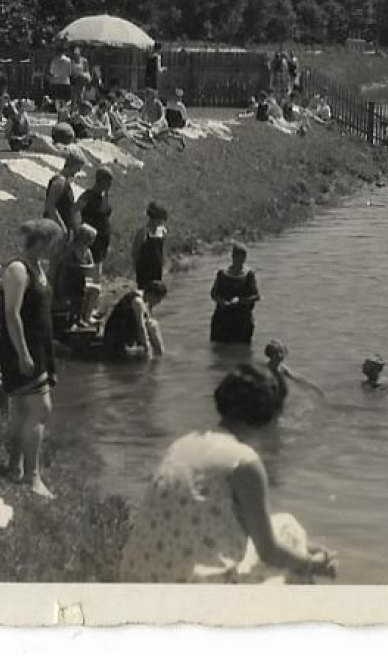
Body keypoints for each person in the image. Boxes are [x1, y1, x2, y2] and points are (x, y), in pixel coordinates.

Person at [118, 364, 338, 584]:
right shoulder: (244, 462)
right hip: (195, 586)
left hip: (137, 574)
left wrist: (303, 549)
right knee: (290, 530)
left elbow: (210, 517)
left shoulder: (182, 444)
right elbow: (268, 551)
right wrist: (313, 564)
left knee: (287, 534)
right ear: (272, 415)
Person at [0, 218, 66, 498]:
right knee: (41, 408)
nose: (56, 250)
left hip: (39, 347)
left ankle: (14, 467)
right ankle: (32, 476)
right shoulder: (18, 269)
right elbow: (12, 315)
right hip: (22, 348)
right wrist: (23, 353)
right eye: (54, 244)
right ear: (42, 241)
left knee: (22, 410)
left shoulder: (39, 268)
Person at [100, 283, 167, 359]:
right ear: (152, 294)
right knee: (152, 326)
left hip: (125, 331)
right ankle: (158, 356)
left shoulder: (142, 298)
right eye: (158, 299)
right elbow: (141, 326)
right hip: (116, 337)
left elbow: (147, 319)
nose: (159, 302)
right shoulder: (137, 302)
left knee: (153, 324)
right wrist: (147, 347)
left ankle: (159, 354)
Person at [210, 243, 261, 345]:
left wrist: (240, 300)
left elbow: (256, 296)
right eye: (238, 257)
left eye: (243, 258)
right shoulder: (222, 274)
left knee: (242, 351)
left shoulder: (249, 275)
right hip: (222, 319)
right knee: (219, 350)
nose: (241, 261)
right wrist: (222, 301)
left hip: (242, 320)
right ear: (232, 256)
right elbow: (213, 294)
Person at [53, 223, 99, 330]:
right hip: (69, 280)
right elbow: (64, 265)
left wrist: (85, 267)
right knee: (77, 294)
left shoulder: (87, 251)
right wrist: (79, 266)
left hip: (81, 279)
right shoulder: (71, 250)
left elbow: (91, 265)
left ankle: (84, 317)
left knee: (92, 290)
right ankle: (74, 320)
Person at [43, 140, 86, 236]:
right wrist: (62, 226)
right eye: (77, 168)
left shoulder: (64, 181)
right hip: (54, 229)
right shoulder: (59, 181)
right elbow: (50, 206)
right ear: (72, 165)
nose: (78, 171)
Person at [76, 169, 114, 276]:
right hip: (90, 236)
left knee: (98, 265)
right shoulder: (88, 195)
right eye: (108, 182)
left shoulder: (103, 197)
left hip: (102, 237)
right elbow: (76, 209)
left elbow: (105, 210)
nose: (110, 185)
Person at [133, 201, 169, 292]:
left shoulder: (162, 231)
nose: (161, 222)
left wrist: (164, 264)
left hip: (157, 267)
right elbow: (135, 251)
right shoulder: (143, 232)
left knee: (156, 291)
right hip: (145, 268)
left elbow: (162, 249)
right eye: (159, 219)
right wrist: (137, 267)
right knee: (145, 291)